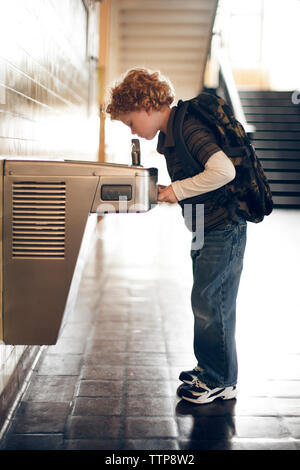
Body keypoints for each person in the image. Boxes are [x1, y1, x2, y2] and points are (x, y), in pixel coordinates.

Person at [106, 68, 247, 405]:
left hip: (223, 226)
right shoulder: (171, 133)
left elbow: (223, 170)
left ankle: (220, 380)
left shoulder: (187, 126)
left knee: (212, 301)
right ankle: (212, 367)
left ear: (146, 106)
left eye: (130, 121)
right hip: (204, 225)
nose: (131, 130)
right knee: (206, 299)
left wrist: (175, 191)